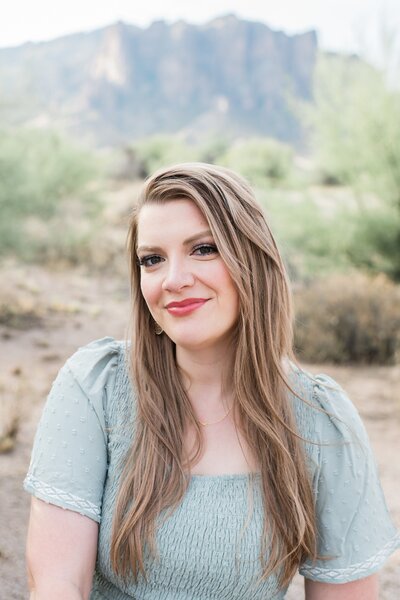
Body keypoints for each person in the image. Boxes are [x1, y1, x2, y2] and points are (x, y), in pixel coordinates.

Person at [24, 163, 399, 599]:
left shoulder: (321, 420)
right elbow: (57, 585)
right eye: (153, 260)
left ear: (253, 261)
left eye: (203, 249)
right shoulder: (96, 387)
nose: (174, 280)